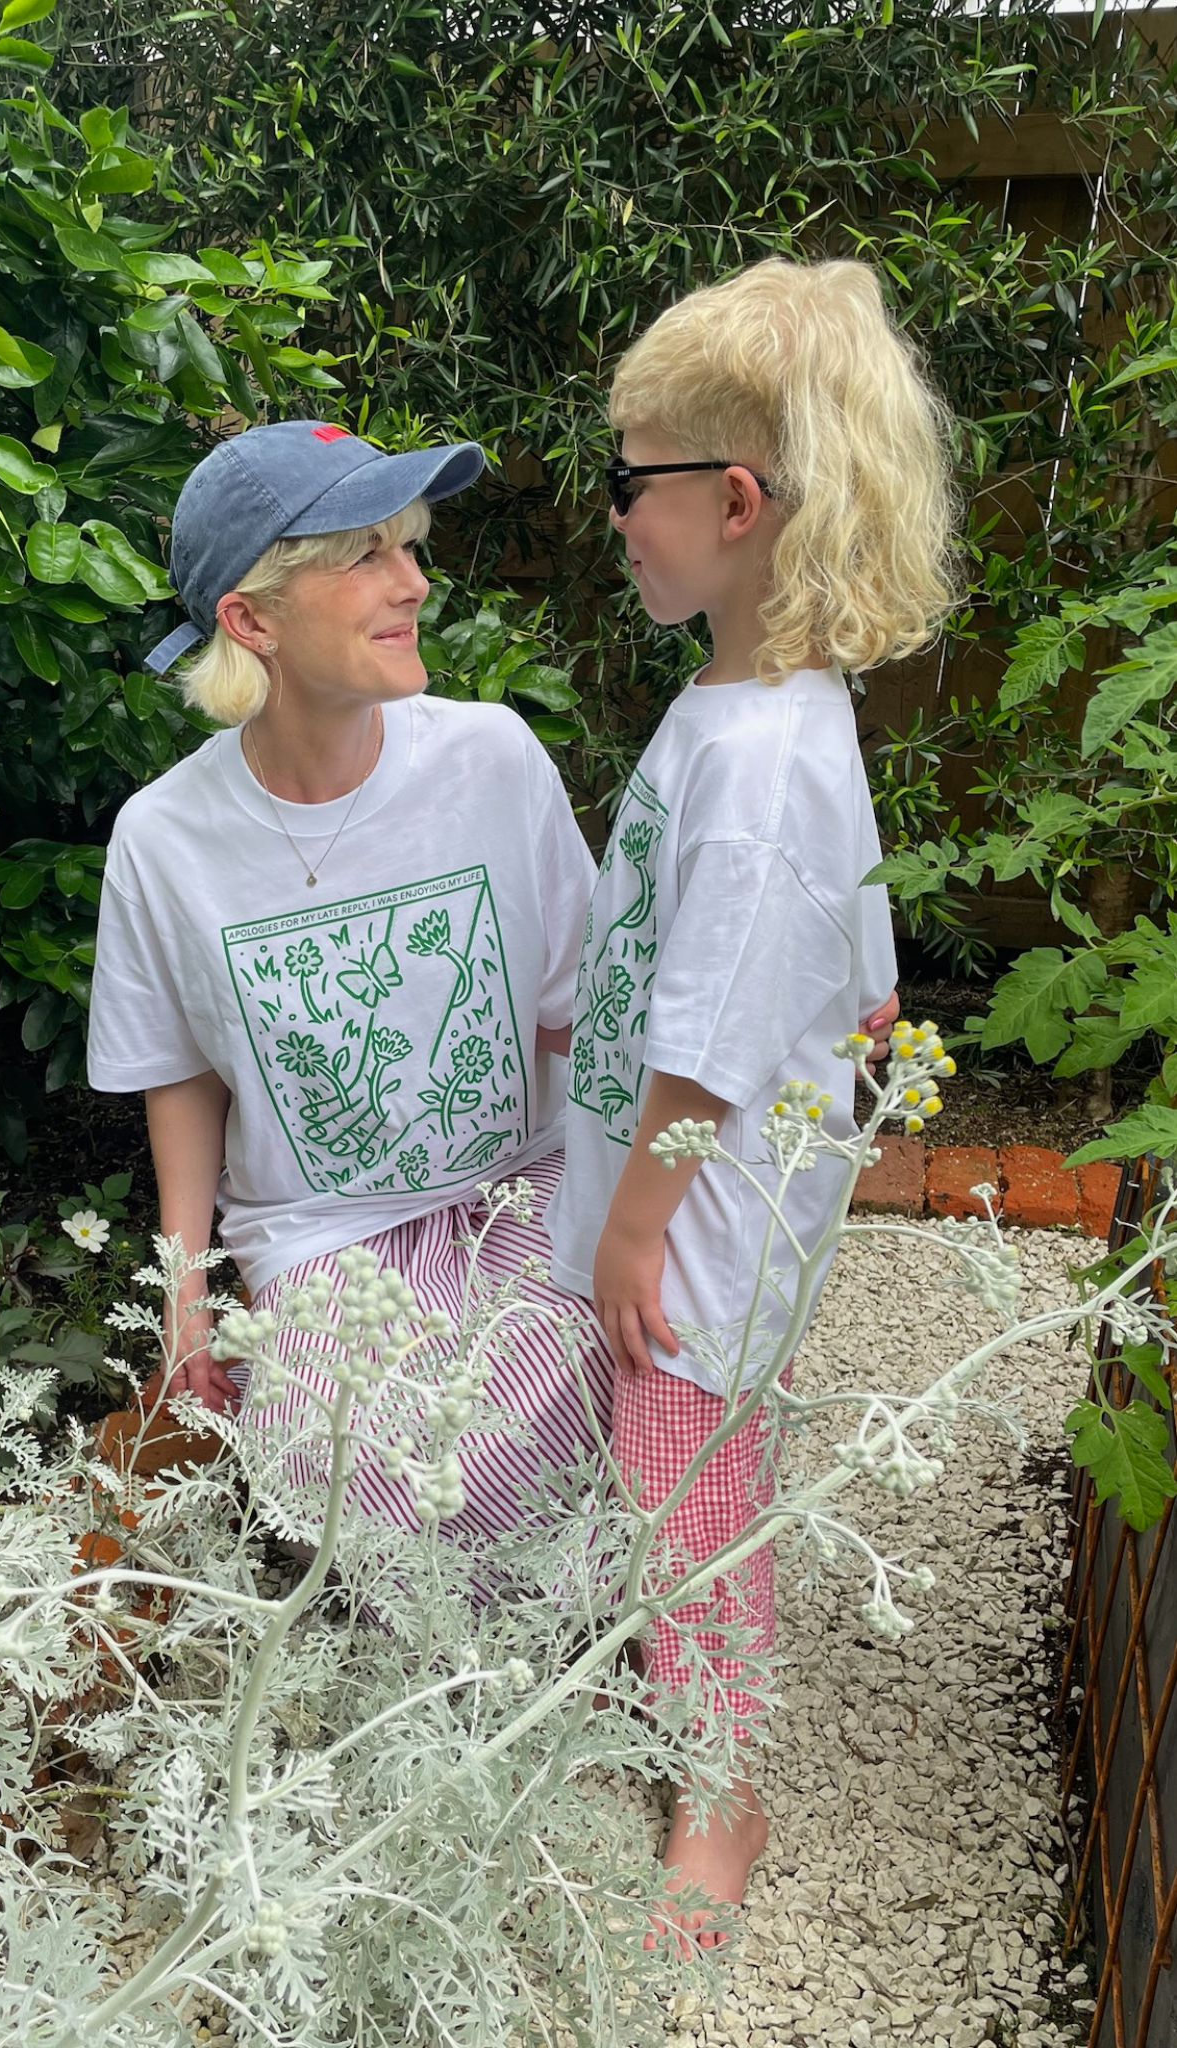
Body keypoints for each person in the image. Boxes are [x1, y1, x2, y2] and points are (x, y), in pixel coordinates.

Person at [546, 257, 956, 1946]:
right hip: (696, 1192)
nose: (612, 516)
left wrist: (634, 1225)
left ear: (731, 501)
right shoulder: (754, 702)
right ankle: (656, 1688)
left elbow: (709, 1038)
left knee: (689, 1494)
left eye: (627, 481)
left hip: (695, 1223)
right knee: (668, 1473)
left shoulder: (760, 756)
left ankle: (718, 1798)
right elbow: (840, 959)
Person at [86, 419, 616, 1547]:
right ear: (251, 619)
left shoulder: (491, 758)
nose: (412, 583)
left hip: (523, 1186)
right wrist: (187, 1296)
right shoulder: (164, 838)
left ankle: (574, 1636)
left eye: (408, 546)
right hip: (323, 1233)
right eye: (364, 554)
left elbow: (577, 1014)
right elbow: (180, 1074)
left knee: (587, 1375)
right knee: (341, 1463)